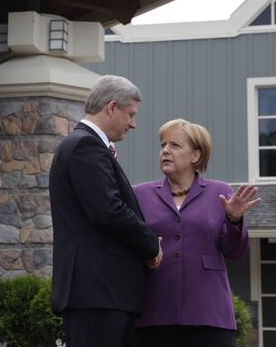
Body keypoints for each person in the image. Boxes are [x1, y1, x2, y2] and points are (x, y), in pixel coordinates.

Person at [49, 75, 163, 347]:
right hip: (98, 292)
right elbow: (107, 210)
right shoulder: (86, 146)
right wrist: (150, 245)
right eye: (130, 114)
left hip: (101, 292)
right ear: (112, 107)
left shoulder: (83, 145)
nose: (133, 124)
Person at [134, 118, 261, 347]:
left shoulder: (220, 192)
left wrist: (234, 219)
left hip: (209, 314)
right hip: (154, 313)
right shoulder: (141, 194)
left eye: (175, 145)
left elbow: (235, 252)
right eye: (163, 145)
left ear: (195, 156)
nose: (165, 151)